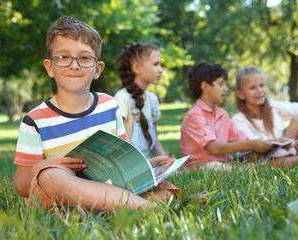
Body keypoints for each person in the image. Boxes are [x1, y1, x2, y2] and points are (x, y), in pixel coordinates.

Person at [13, 16, 179, 214]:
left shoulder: (109, 106)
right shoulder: (35, 120)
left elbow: (120, 163)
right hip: (58, 197)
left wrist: (146, 166)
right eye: (63, 57)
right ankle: (148, 208)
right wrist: (43, 167)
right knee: (51, 176)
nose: (74, 65)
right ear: (50, 67)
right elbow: (20, 186)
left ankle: (101, 211)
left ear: (97, 69)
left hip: (109, 187)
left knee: (167, 189)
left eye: (84, 58)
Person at [179, 62, 272, 171]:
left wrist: (270, 143)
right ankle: (252, 169)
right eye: (221, 84)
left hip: (224, 164)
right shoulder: (194, 115)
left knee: (255, 155)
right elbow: (213, 148)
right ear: (205, 87)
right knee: (218, 167)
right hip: (201, 167)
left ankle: (253, 167)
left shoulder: (222, 114)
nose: (226, 89)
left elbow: (243, 139)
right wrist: (250, 144)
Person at [232, 66, 298, 166]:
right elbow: (256, 148)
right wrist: (292, 144)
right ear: (240, 94)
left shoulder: (271, 106)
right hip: (261, 162)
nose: (259, 91)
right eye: (252, 88)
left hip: (281, 150)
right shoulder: (238, 120)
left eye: (261, 85)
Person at [114, 42, 166, 159]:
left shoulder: (152, 99)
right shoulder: (122, 98)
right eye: (155, 64)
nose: (161, 70)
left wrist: (165, 160)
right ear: (137, 68)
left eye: (160, 64)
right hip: (129, 164)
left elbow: (154, 139)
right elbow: (119, 145)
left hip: (148, 163)